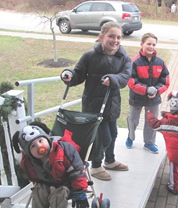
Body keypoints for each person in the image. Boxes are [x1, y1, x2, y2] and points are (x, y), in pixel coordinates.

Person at [61, 21, 131, 181]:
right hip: (93, 105)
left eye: (118, 37)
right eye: (111, 36)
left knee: (113, 134)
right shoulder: (89, 56)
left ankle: (110, 160)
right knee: (102, 138)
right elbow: (78, 74)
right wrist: (69, 75)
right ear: (101, 37)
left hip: (112, 104)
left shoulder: (123, 57)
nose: (115, 40)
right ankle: (96, 166)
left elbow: (125, 77)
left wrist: (112, 78)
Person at [12, 124, 89, 208]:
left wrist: (80, 191)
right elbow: (32, 176)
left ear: (47, 138)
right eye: (33, 146)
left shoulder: (63, 150)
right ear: (29, 153)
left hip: (67, 183)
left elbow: (77, 171)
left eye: (40, 141)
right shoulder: (30, 161)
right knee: (38, 190)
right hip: (47, 183)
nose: (39, 146)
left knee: (59, 194)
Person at [125, 32, 170, 153]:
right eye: (148, 43)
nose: (151, 46)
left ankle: (149, 143)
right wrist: (145, 90)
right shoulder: (135, 62)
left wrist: (157, 90)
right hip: (137, 98)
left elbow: (165, 81)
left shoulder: (160, 62)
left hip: (153, 99)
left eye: (154, 44)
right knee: (133, 120)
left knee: (151, 121)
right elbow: (131, 81)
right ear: (142, 44)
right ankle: (130, 137)